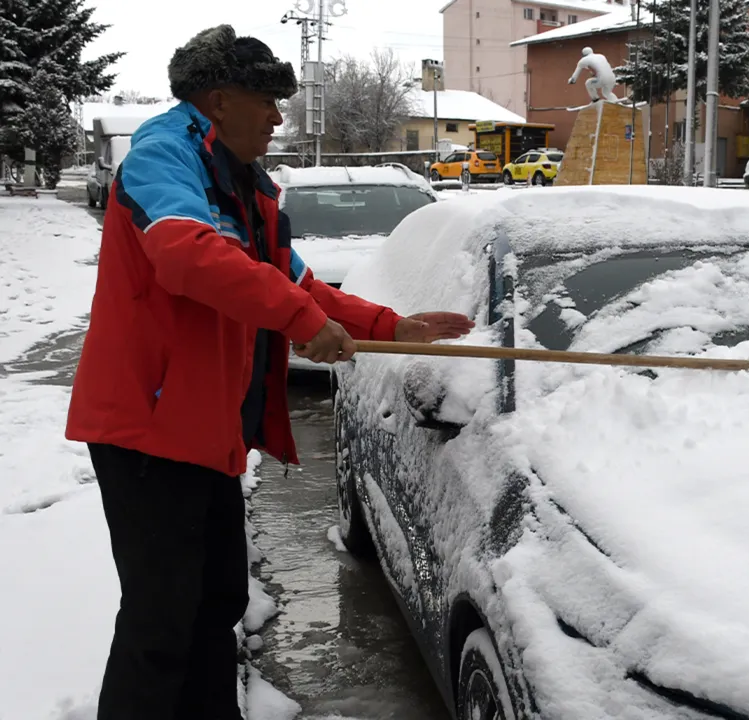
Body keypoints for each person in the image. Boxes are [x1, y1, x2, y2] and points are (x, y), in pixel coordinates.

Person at [64, 25, 474, 720]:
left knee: (217, 597)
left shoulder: (247, 185)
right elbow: (189, 255)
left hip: (207, 429)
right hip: (148, 431)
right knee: (160, 620)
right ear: (220, 100)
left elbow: (294, 282)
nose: (279, 118)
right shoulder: (165, 157)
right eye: (269, 101)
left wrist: (389, 327)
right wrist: (302, 324)